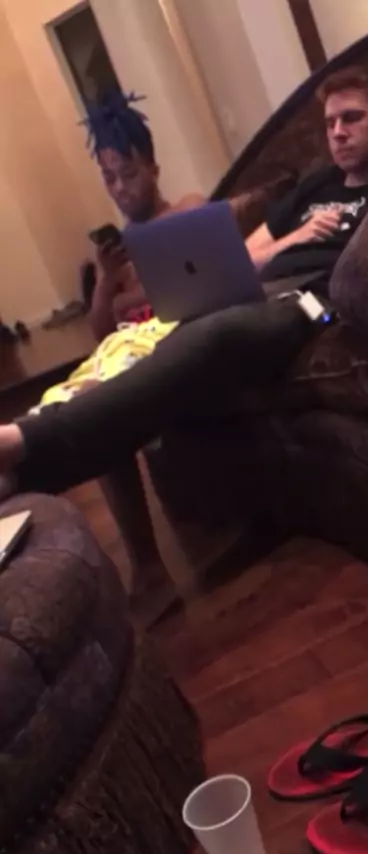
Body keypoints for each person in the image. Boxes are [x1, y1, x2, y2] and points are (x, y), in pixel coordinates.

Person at [0, 67, 368, 522]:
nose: (338, 133)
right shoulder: (317, 185)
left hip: (306, 299)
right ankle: (22, 471)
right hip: (254, 289)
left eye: (352, 118)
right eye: (330, 123)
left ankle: (21, 444)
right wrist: (297, 236)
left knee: (213, 334)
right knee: (141, 357)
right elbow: (242, 257)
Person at [36, 91, 203, 622]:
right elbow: (100, 333)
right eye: (108, 178)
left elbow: (201, 286)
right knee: (80, 407)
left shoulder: (187, 212)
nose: (119, 188)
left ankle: (149, 571)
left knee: (101, 409)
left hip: (177, 351)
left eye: (128, 173)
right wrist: (108, 282)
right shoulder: (117, 254)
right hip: (124, 362)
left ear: (153, 168)